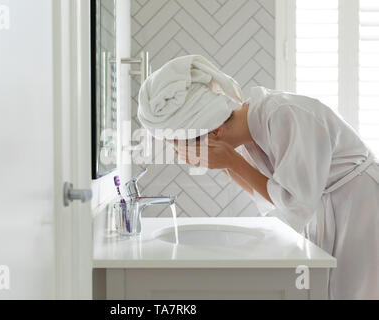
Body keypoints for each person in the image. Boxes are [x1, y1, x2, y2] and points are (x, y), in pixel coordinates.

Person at [138, 55, 379, 300]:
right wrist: (226, 165)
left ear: (215, 131)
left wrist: (232, 162)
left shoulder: (283, 115)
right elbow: (272, 197)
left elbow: (293, 203)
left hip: (362, 204)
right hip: (329, 206)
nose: (186, 157)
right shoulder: (250, 134)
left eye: (185, 148)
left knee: (359, 290)